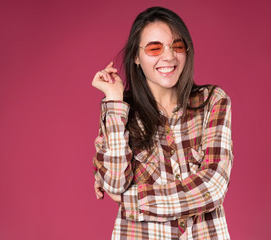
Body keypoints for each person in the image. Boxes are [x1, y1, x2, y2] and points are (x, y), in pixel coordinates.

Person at [92, 6, 233, 240]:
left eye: (177, 46)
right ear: (136, 56)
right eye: (154, 48)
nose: (168, 57)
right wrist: (114, 100)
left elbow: (213, 187)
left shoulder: (212, 101)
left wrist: (134, 199)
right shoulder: (120, 110)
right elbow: (115, 183)